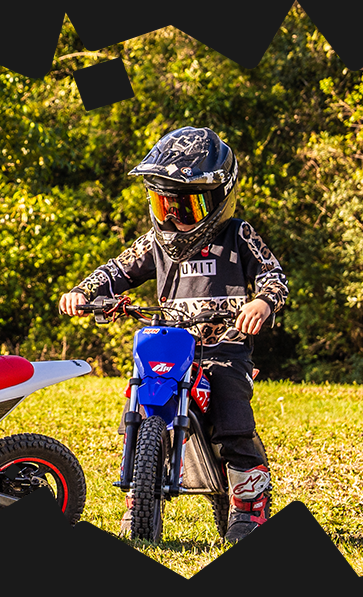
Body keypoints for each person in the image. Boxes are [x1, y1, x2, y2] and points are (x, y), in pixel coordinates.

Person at [58, 126, 289, 543]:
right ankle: (137, 499)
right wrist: (84, 291)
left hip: (223, 347)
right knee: (140, 405)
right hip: (169, 343)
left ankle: (249, 505)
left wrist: (262, 302)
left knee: (232, 416)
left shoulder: (238, 236)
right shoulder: (156, 244)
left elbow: (273, 274)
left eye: (186, 208)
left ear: (219, 199)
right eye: (163, 206)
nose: (173, 218)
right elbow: (118, 269)